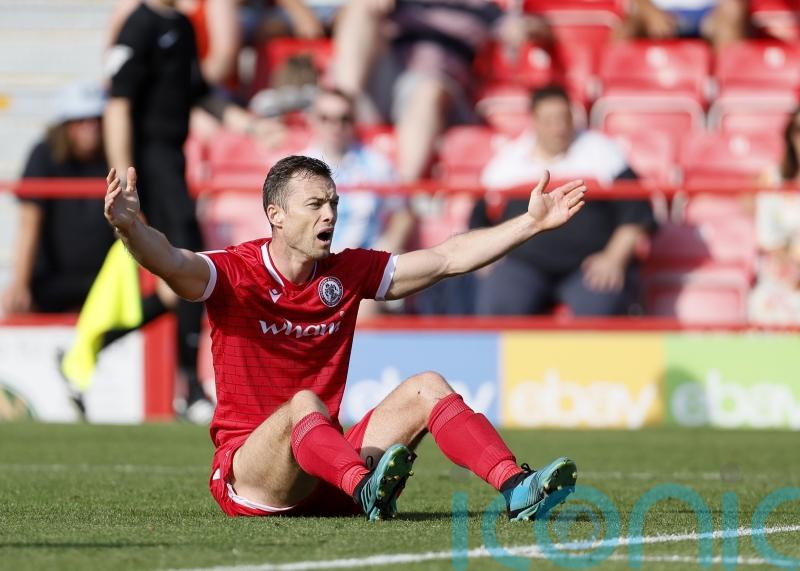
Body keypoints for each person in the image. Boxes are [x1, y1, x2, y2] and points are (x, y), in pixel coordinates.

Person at [103, 154, 584, 519]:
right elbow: (169, 260)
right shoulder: (233, 270)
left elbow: (445, 260)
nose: (329, 215)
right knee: (304, 403)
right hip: (250, 477)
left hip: (326, 467)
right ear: (276, 214)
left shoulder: (346, 271)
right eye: (314, 204)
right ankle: (366, 488)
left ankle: (517, 488)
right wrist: (130, 228)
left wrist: (531, 223)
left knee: (427, 386)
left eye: (333, 203)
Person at [60, 0, 282, 422]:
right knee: (194, 268)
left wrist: (253, 126)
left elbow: (200, 95)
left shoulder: (179, 25)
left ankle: (92, 346)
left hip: (173, 165)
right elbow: (118, 105)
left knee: (179, 282)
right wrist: (126, 183)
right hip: (149, 165)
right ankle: (192, 390)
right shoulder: (138, 26)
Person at [472, 85, 656, 316]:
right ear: (534, 122)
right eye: (549, 120)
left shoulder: (604, 154)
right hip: (522, 264)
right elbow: (479, 218)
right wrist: (484, 256)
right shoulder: (506, 164)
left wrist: (614, 258)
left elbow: (637, 213)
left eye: (564, 118)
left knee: (601, 309)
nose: (558, 128)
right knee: (498, 304)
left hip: (587, 266)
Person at [332, 0, 550, 182]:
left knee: (427, 89)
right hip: (389, 85)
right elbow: (343, 20)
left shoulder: (483, 8)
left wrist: (526, 28)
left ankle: (401, 195)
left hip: (442, 93)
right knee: (359, 6)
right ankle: (341, 107)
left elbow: (525, 28)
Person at [1, 82, 114, 316]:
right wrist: (20, 284)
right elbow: (29, 221)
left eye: (96, 120)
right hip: (51, 284)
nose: (91, 127)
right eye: (81, 120)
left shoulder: (116, 158)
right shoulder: (44, 155)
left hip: (103, 284)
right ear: (66, 126)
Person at [750, 108, 800, 324]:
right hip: (780, 277)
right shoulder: (772, 178)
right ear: (790, 136)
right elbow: (766, 237)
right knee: (764, 304)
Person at [614, 0, 747, 51]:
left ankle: (723, 92)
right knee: (625, 31)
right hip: (659, 10)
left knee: (731, 15)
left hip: (710, 13)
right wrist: (650, 12)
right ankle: (617, 97)